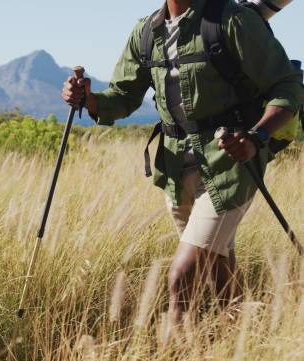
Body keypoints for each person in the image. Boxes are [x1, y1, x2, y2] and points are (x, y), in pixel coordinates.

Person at [62, 0, 304, 325]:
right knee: (219, 269)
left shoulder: (233, 21)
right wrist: (87, 98)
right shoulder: (146, 32)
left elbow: (286, 86)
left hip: (231, 166)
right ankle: (242, 348)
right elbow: (122, 96)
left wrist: (257, 137)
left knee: (181, 280)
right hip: (175, 170)